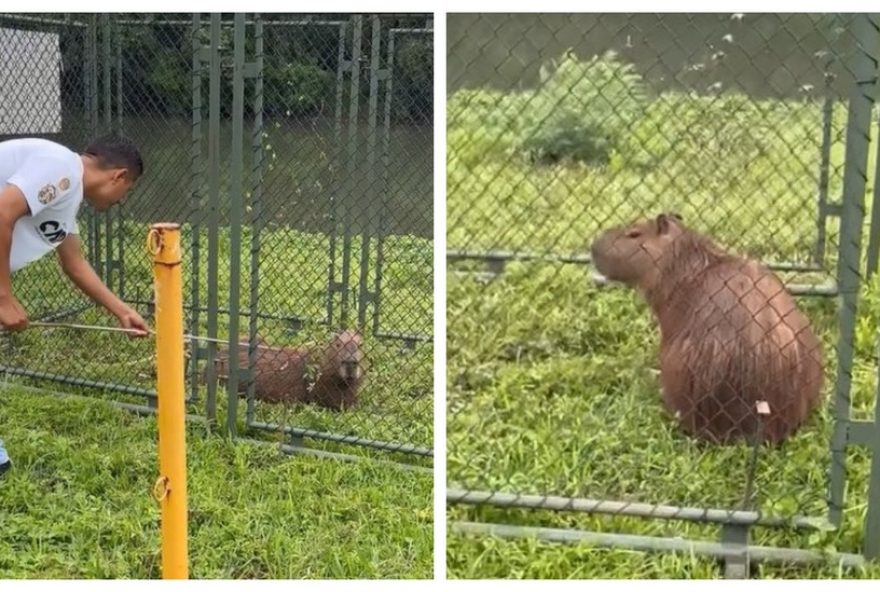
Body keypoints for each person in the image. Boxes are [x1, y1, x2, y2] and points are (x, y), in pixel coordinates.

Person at [0, 134, 151, 477]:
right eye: (127, 191)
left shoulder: (66, 197)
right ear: (118, 176)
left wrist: (121, 310)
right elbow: (2, 212)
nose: (121, 201)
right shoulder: (61, 167)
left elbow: (74, 263)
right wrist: (4, 297)